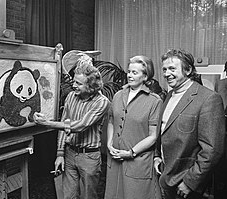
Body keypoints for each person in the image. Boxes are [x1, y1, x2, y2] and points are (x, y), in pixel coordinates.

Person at [154, 49, 225, 199]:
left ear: (188, 70)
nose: (167, 73)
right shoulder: (169, 96)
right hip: (167, 178)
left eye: (172, 69)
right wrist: (157, 156)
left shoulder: (209, 99)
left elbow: (212, 150)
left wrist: (190, 182)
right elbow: (164, 130)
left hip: (188, 185)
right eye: (165, 69)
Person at [33, 62, 110, 199]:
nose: (74, 85)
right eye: (74, 81)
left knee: (88, 196)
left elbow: (79, 126)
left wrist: (48, 124)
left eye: (79, 83)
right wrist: (60, 154)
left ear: (91, 86)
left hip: (89, 157)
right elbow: (64, 126)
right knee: (68, 196)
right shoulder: (71, 97)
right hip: (69, 153)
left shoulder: (102, 102)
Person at [104, 55, 163, 199]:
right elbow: (111, 120)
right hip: (114, 159)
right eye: (129, 72)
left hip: (137, 162)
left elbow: (153, 136)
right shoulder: (118, 95)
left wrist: (131, 152)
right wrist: (109, 143)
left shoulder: (154, 101)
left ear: (145, 76)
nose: (129, 75)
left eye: (134, 73)